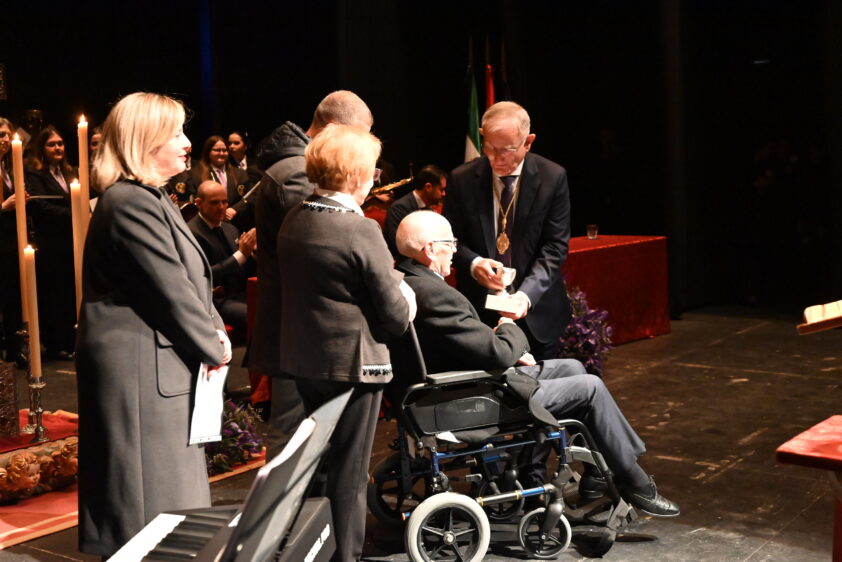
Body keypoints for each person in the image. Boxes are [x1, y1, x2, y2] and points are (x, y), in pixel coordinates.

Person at [394, 211, 679, 517]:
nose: (454, 250)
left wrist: (500, 344)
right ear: (430, 249)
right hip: (467, 397)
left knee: (572, 368)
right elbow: (498, 353)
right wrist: (506, 327)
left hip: (461, 381)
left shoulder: (410, 281)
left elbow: (464, 343)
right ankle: (635, 481)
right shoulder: (435, 295)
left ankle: (598, 468)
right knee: (590, 388)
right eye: (450, 243)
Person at [75, 92, 232, 557]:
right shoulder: (130, 202)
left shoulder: (149, 197)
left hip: (157, 363)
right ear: (145, 141)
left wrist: (215, 332)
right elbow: (169, 287)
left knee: (168, 502)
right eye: (176, 134)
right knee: (150, 507)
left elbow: (189, 280)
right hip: (140, 373)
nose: (188, 143)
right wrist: (215, 344)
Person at [277, 123, 416, 561]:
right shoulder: (360, 229)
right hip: (355, 367)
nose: (375, 178)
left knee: (318, 467)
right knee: (349, 475)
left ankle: (314, 550)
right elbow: (396, 316)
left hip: (306, 361)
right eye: (372, 171)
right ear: (355, 174)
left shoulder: (295, 217)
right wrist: (407, 295)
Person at [251, 90, 374, 454]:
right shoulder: (297, 172)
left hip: (302, 331)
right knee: (293, 443)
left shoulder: (296, 167)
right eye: (356, 139)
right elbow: (324, 251)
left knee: (308, 442)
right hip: (302, 333)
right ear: (333, 128)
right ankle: (282, 498)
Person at [444, 101, 571, 361]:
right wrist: (474, 264)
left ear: (528, 142)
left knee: (543, 383)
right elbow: (450, 239)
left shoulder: (552, 177)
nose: (496, 158)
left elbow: (554, 247)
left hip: (535, 311)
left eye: (507, 150)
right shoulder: (462, 179)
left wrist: (525, 296)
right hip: (480, 314)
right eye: (489, 147)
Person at [24, 126, 76, 360]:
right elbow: (41, 207)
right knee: (54, 294)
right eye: (51, 144)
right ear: (42, 148)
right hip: (51, 243)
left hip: (70, 241)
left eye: (60, 143)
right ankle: (56, 343)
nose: (58, 148)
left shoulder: (68, 172)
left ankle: (71, 340)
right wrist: (77, 214)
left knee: (70, 292)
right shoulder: (35, 174)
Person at [188, 180, 256, 338]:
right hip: (214, 300)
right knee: (256, 315)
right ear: (199, 203)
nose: (221, 207)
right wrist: (241, 254)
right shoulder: (191, 233)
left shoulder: (230, 228)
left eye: (224, 202)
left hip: (240, 293)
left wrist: (253, 252)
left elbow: (244, 267)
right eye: (214, 203)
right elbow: (204, 274)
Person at [0, 117, 28, 367]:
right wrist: (3, 206)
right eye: (1, 135)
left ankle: (14, 348)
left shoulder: (8, 168)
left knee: (13, 297)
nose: (6, 140)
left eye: (8, 135)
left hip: (10, 240)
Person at [384, 164, 447, 257]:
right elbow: (399, 246)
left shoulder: (430, 208)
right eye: (441, 189)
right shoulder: (399, 208)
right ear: (428, 187)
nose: (444, 194)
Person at [196, 135, 253, 230]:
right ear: (208, 152)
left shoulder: (240, 173)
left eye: (224, 150)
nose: (221, 153)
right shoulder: (196, 174)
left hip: (236, 225)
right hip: (207, 227)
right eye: (217, 150)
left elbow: (249, 197)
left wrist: (235, 209)